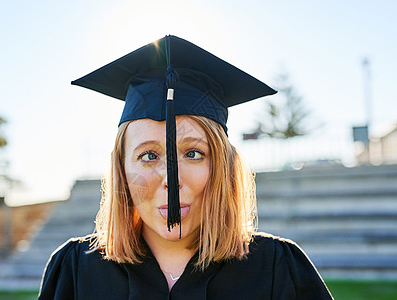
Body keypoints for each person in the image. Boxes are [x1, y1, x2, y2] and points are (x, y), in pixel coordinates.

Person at [38, 35, 333, 299]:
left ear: (222, 165)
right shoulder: (75, 271)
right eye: (148, 155)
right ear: (121, 170)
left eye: (193, 153)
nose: (171, 179)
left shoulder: (278, 269)